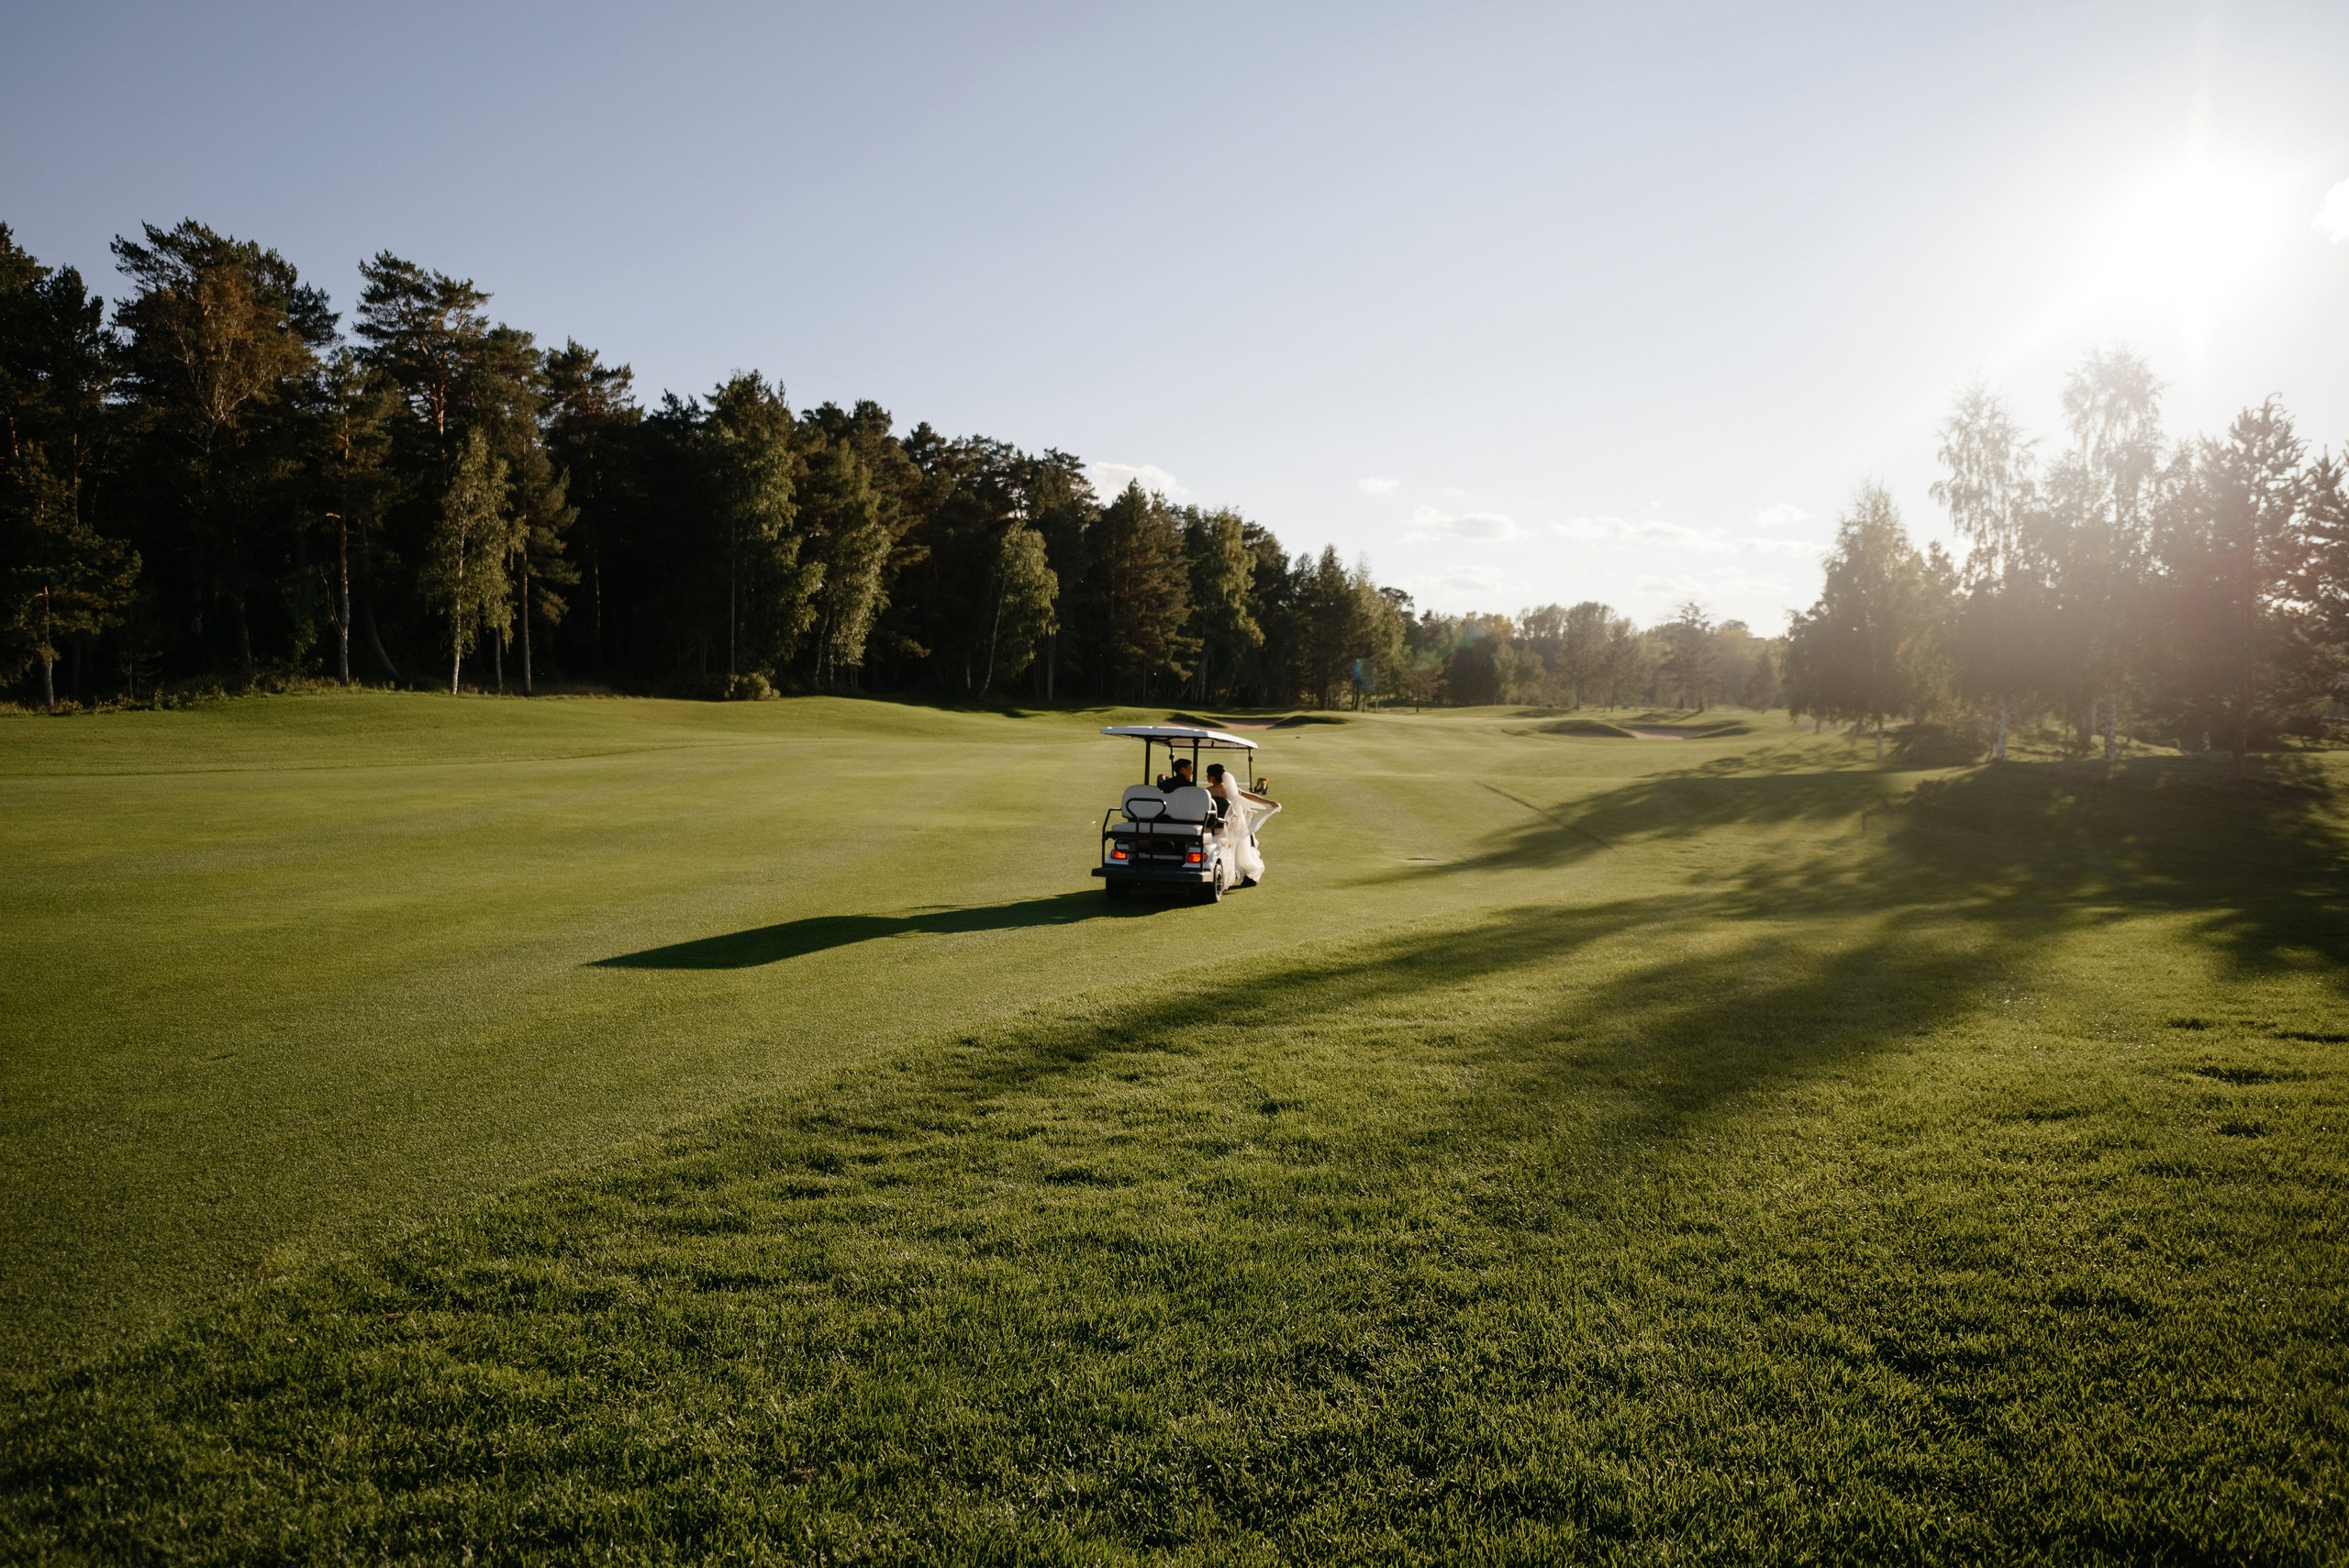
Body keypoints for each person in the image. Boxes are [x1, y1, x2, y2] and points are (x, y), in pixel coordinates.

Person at [1204, 762, 1276, 889]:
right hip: (1231, 827)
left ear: (1212, 778)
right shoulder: (1232, 791)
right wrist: (1270, 803)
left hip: (1213, 826)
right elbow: (1251, 797)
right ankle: (1245, 874)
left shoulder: (1206, 792)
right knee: (1243, 840)